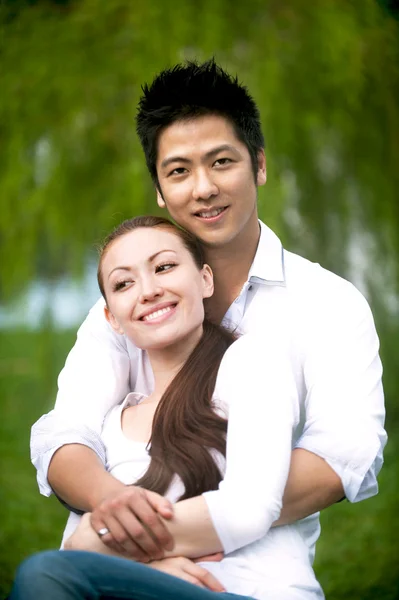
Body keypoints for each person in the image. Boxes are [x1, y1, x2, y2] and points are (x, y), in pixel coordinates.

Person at [31, 60, 386, 564]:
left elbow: (342, 454)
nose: (203, 188)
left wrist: (155, 535)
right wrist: (116, 505)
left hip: (257, 569)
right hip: (109, 565)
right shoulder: (125, 310)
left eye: (221, 162)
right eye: (179, 170)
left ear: (258, 164)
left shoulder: (329, 304)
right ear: (159, 188)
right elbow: (66, 433)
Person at [11, 215, 323, 599]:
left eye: (164, 267)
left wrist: (98, 544)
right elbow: (76, 551)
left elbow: (247, 509)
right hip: (135, 590)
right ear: (113, 319)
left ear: (205, 279)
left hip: (243, 590)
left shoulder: (251, 362)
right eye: (124, 283)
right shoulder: (111, 423)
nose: (148, 290)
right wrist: (145, 563)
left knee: (46, 574)